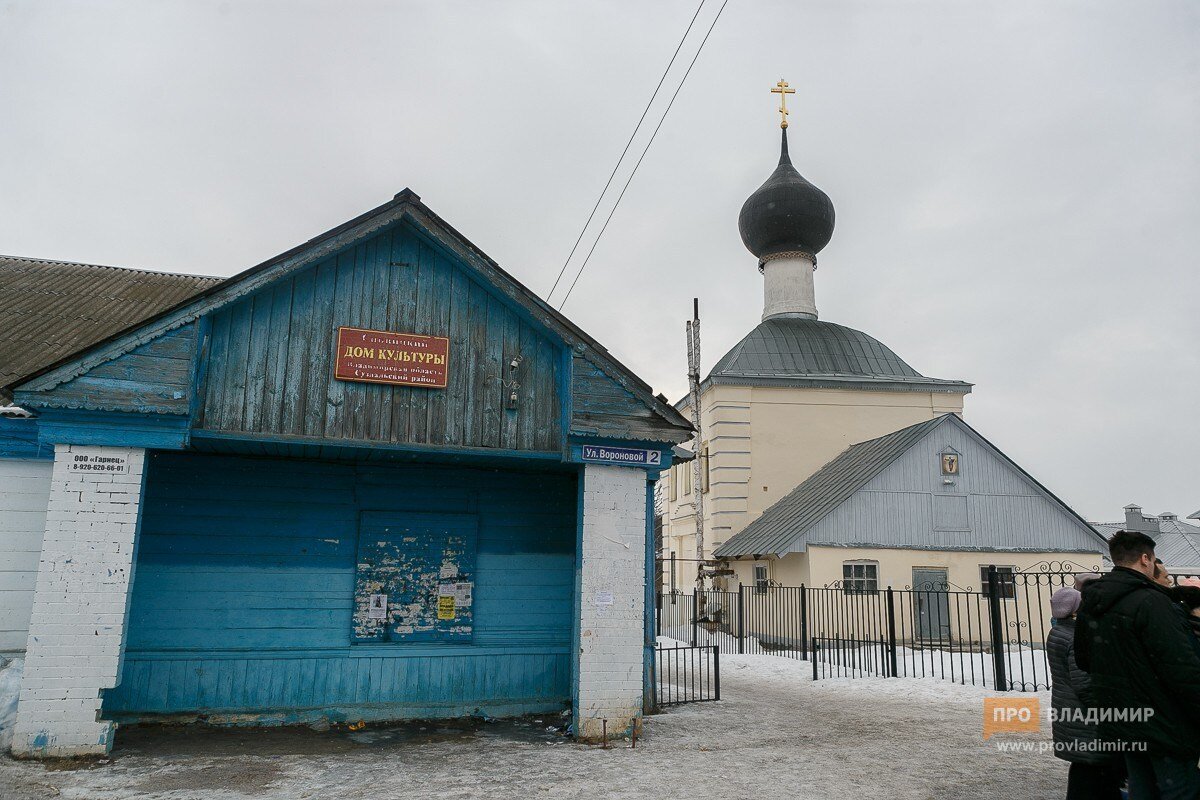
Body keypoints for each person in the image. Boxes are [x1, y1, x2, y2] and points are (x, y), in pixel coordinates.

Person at [1075, 530, 1200, 799]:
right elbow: (1182, 668)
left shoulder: (1093, 601)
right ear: (1145, 558)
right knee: (1179, 790)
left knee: (1141, 788)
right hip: (1164, 722)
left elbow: (1084, 658)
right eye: (1153, 560)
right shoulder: (1152, 602)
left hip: (1122, 719)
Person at [1047, 587, 1126, 799]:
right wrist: (1104, 710)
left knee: (1083, 767)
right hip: (1085, 717)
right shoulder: (1075, 637)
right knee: (1095, 769)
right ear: (1075, 610)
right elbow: (1084, 683)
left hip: (1068, 710)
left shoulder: (1058, 631)